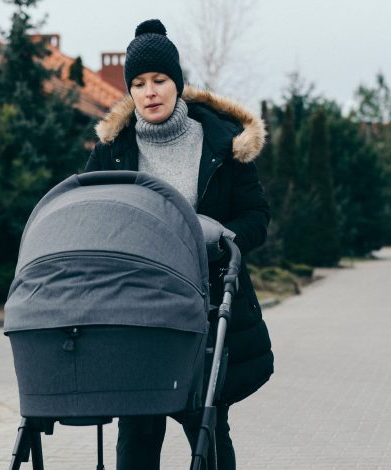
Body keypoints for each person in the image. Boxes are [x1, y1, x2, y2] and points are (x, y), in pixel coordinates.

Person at [85, 18, 273, 470]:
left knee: (206, 427)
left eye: (159, 80)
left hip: (205, 312)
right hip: (135, 312)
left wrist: (220, 237)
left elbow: (257, 219)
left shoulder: (221, 142)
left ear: (178, 83)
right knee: (137, 432)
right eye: (139, 83)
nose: (149, 92)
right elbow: (89, 219)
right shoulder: (112, 150)